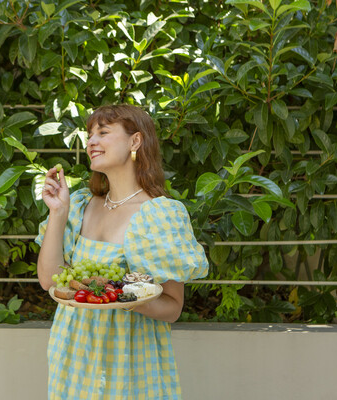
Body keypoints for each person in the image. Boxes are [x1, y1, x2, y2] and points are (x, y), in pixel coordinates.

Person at [35, 104, 209, 399]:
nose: (91, 142)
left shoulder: (159, 215)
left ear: (135, 141)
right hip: (74, 351)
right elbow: (51, 281)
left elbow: (172, 307)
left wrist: (120, 297)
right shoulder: (79, 205)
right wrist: (58, 211)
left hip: (129, 360)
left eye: (103, 132)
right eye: (90, 135)